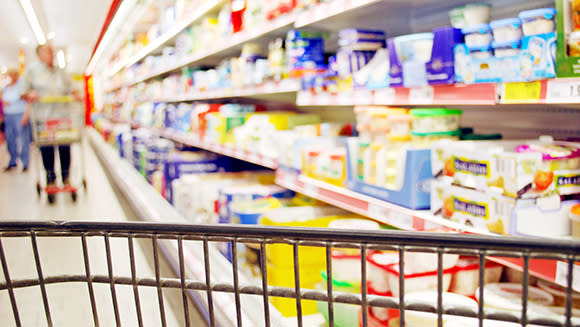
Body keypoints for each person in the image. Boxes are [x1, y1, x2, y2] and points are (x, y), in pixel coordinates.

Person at [21, 44, 80, 186]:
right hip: (43, 117)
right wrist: (30, 94)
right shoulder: (32, 71)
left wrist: (76, 94)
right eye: (48, 52)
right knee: (47, 148)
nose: (51, 55)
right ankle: (50, 177)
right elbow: (23, 91)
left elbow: (72, 87)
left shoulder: (61, 71)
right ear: (39, 55)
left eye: (52, 52)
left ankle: (66, 176)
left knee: (64, 146)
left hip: (62, 117)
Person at [2, 69, 31, 171]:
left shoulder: (22, 86)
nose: (14, 76)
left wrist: (26, 115)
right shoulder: (6, 88)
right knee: (10, 139)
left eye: (16, 74)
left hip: (20, 114)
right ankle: (12, 161)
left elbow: (28, 101)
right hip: (8, 115)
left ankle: (25, 163)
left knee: (23, 140)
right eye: (12, 74)